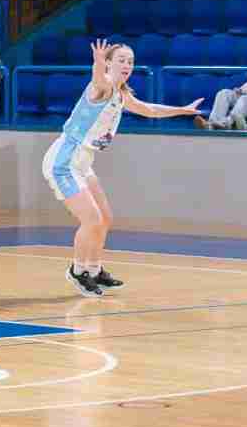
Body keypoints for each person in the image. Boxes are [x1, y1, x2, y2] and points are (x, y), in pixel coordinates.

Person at [43, 40, 203, 296]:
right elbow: (98, 79)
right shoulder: (103, 87)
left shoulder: (120, 94)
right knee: (91, 219)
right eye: (121, 60)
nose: (127, 65)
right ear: (109, 63)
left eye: (130, 61)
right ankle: (78, 270)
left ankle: (94, 269)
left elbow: (149, 109)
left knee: (105, 218)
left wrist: (181, 110)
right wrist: (97, 63)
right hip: (64, 162)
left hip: (83, 163)